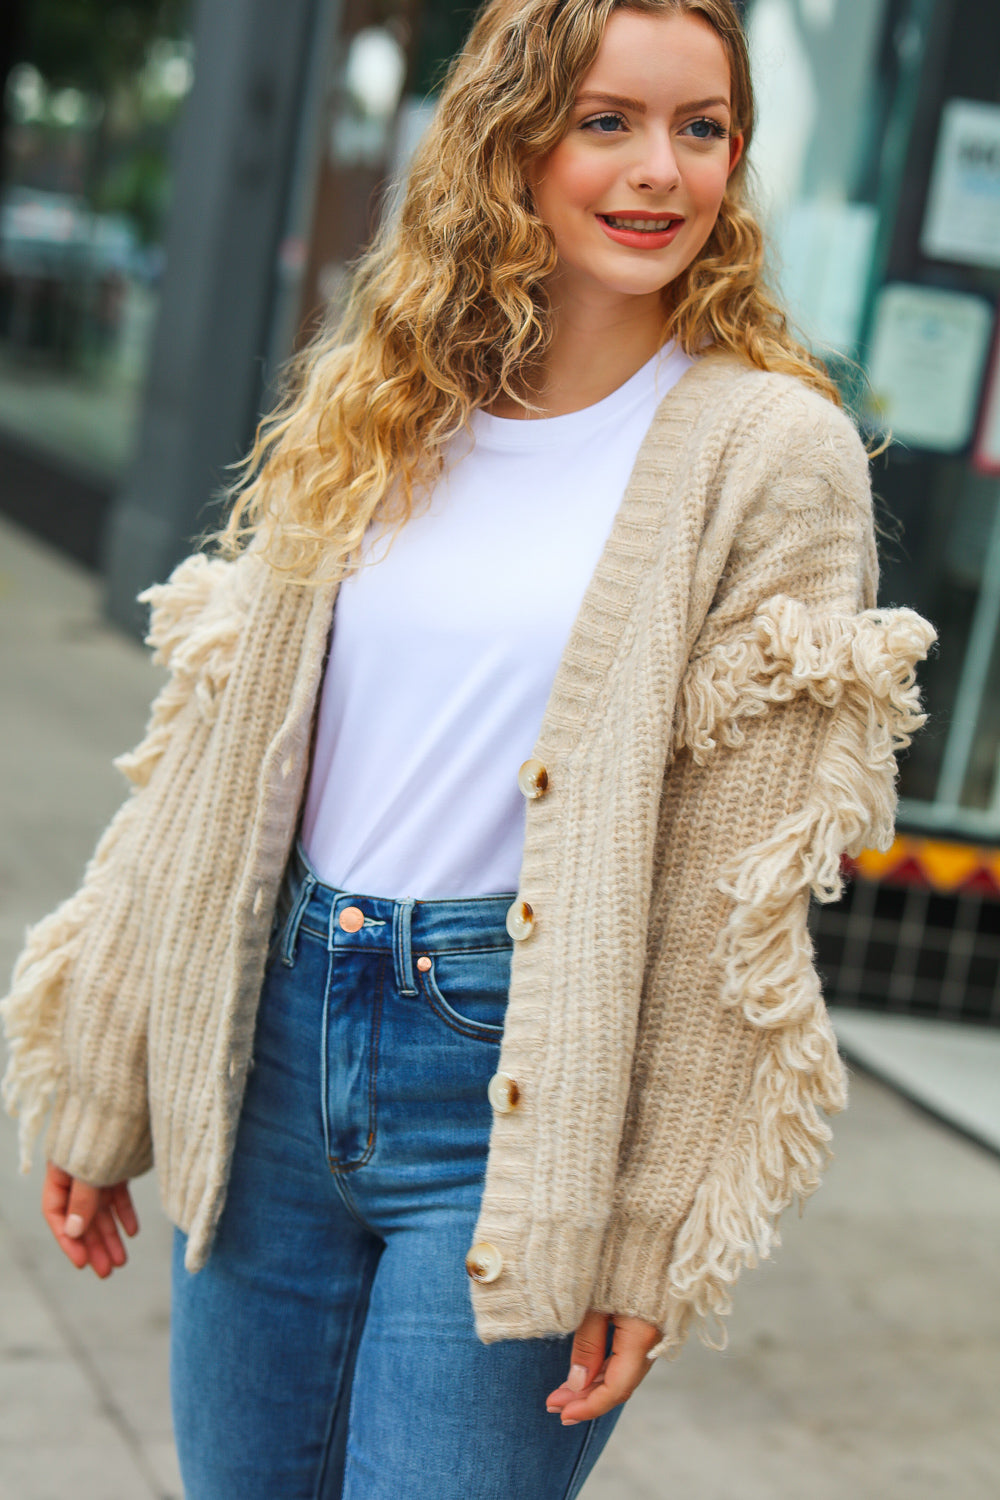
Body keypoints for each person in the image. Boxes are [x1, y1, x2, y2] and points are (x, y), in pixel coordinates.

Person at [2, 1, 935, 1496]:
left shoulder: (770, 452)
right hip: (276, 1039)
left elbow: (733, 900)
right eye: (608, 122)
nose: (661, 172)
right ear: (509, 140)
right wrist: (113, 1065)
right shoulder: (384, 402)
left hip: (522, 1084)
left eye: (703, 129)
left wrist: (655, 1232)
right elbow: (213, 766)